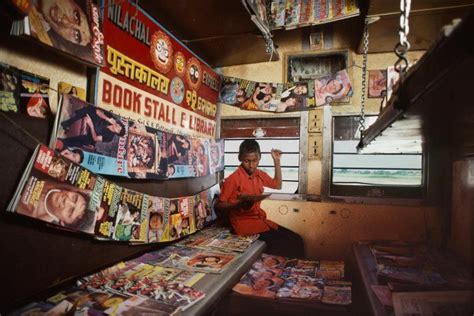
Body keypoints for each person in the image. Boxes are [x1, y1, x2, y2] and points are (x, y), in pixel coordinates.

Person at [216, 139, 304, 258]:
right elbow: (219, 205)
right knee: (287, 245)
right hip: (245, 226)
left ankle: (295, 274)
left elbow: (277, 185)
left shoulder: (259, 174)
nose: (251, 165)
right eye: (247, 161)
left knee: (297, 239)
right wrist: (238, 204)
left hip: (260, 220)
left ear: (260, 158)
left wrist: (277, 161)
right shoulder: (232, 179)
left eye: (255, 161)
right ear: (240, 158)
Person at [16, 178, 97, 233]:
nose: (67, 201)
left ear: (63, 223)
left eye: (70, 211)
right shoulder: (59, 177)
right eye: (74, 198)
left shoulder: (32, 220)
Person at [59, 105, 125, 149]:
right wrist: (107, 118)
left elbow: (95, 138)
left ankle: (63, 142)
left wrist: (90, 125)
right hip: (95, 120)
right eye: (119, 126)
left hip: (93, 133)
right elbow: (97, 111)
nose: (118, 126)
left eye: (119, 129)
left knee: (86, 141)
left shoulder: (109, 137)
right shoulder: (112, 118)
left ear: (117, 133)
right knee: (90, 109)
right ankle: (68, 123)